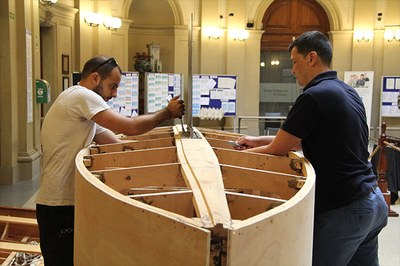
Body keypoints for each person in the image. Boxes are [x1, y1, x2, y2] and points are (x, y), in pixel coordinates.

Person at [235, 31, 388, 266]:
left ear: (312, 58)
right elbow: (295, 140)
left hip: (346, 208)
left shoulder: (313, 96)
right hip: (373, 201)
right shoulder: (346, 91)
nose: (293, 70)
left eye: (295, 62)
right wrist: (256, 141)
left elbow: (277, 149)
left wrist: (235, 157)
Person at [36, 56, 185, 265]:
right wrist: (167, 113)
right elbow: (129, 127)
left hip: (66, 203)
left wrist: (164, 158)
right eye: (112, 87)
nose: (114, 94)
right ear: (95, 78)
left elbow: (117, 145)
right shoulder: (82, 96)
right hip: (59, 206)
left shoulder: (84, 113)